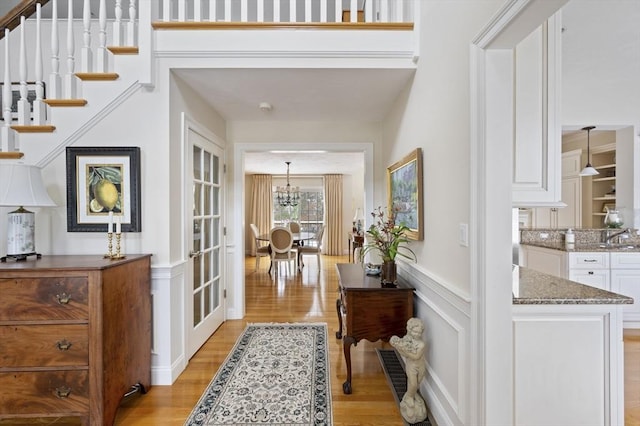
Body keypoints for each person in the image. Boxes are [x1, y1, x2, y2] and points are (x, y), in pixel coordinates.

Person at [390, 317, 427, 423]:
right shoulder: (407, 338)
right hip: (411, 366)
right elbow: (403, 351)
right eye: (415, 331)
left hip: (420, 365)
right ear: (410, 330)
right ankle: (409, 398)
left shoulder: (421, 344)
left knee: (417, 383)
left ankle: (412, 394)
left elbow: (415, 357)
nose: (417, 334)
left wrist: (403, 350)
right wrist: (399, 347)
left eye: (419, 332)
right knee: (413, 383)